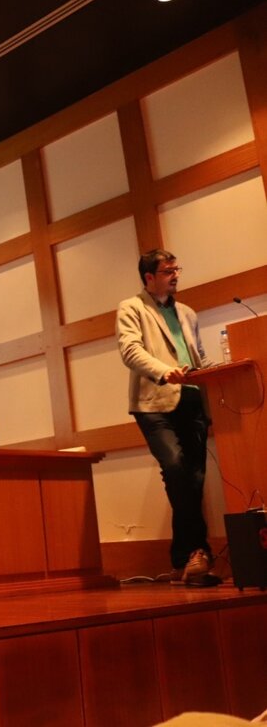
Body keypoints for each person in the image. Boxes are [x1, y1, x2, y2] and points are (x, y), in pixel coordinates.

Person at [116, 249, 215, 584]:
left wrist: (221, 370)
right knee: (175, 467)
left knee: (194, 478)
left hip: (192, 400)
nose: (175, 276)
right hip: (153, 402)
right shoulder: (132, 308)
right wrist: (164, 371)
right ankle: (197, 551)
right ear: (149, 277)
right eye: (168, 271)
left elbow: (198, 356)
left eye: (176, 269)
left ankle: (185, 559)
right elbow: (130, 350)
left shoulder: (187, 312)